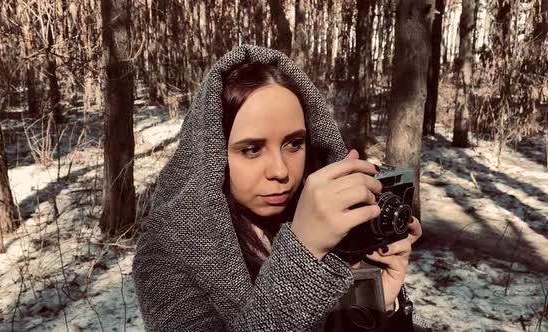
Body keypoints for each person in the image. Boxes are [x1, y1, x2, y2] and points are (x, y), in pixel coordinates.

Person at [132, 44, 429, 331]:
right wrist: (304, 252)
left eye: (294, 143)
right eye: (251, 149)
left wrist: (377, 307)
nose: (281, 171)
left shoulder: (329, 222)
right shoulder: (164, 251)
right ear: (212, 154)